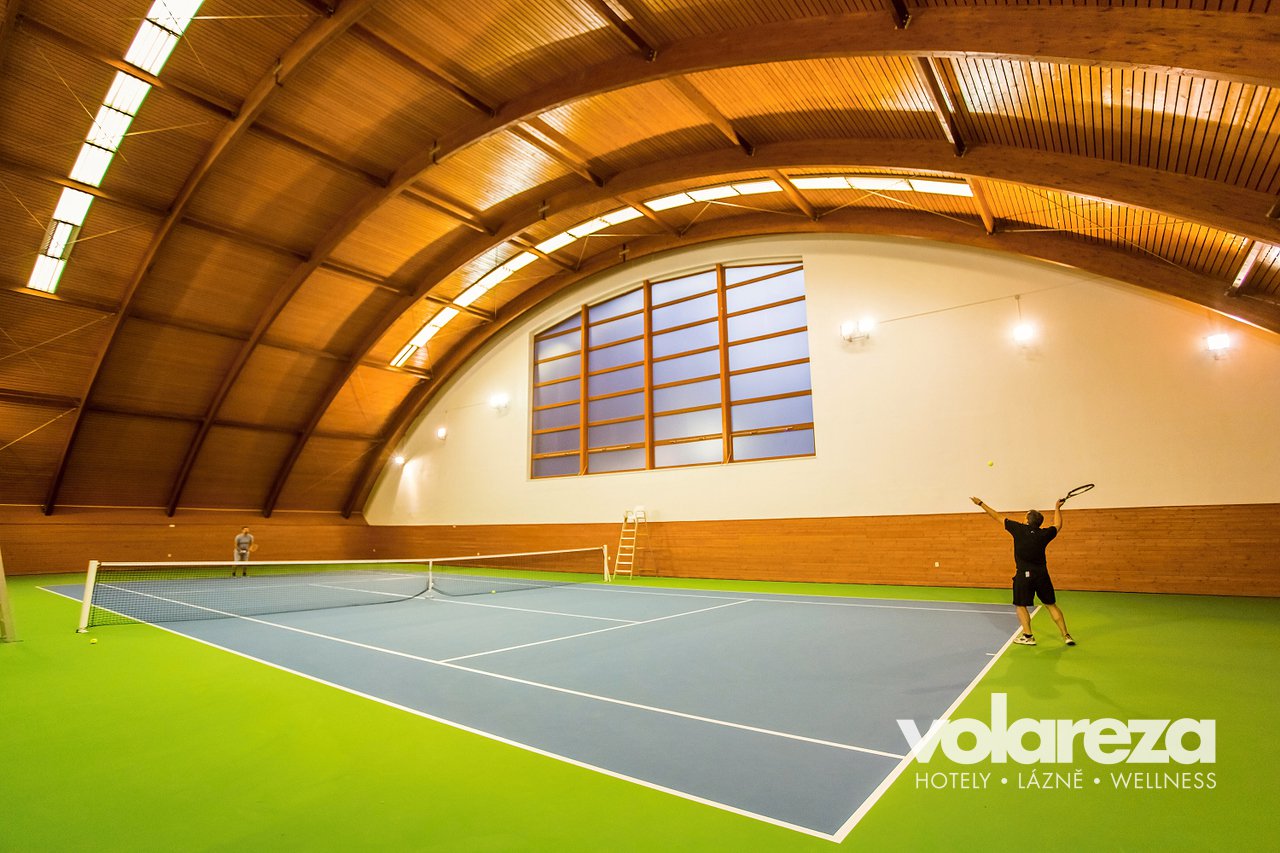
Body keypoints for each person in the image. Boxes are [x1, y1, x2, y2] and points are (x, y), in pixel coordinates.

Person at [970, 495, 1075, 647]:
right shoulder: (1044, 534)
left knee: (1021, 606)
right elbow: (1058, 525)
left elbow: (997, 516)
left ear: (1027, 520)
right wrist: (1057, 508)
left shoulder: (1018, 529)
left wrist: (980, 503)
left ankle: (1028, 636)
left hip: (1024, 575)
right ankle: (1066, 636)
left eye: (1025, 515)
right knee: (1051, 605)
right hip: (1042, 575)